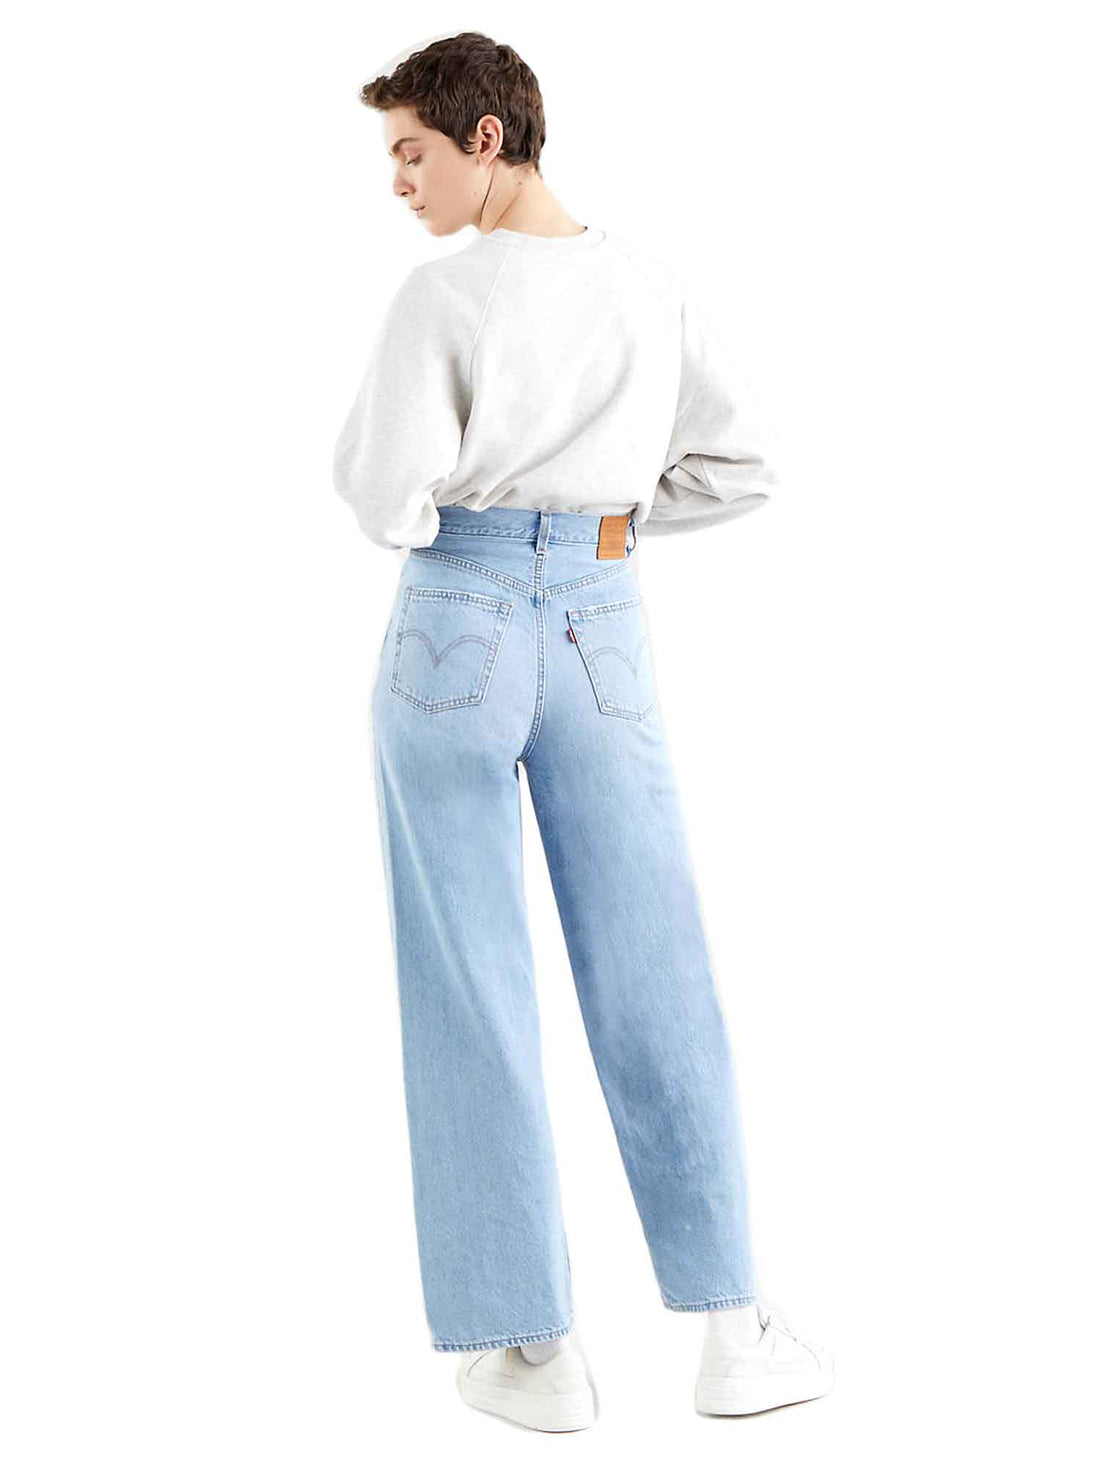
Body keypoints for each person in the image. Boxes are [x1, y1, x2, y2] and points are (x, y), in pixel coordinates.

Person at [332, 31, 834, 1432]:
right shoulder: (646, 287)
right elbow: (739, 467)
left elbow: (378, 493)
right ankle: (733, 1331)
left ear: (486, 139)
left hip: (457, 622)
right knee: (656, 964)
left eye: (411, 153)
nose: (399, 183)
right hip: (603, 622)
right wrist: (602, 522)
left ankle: (533, 1354)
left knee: (470, 986)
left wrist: (481, 521)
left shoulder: (441, 299)